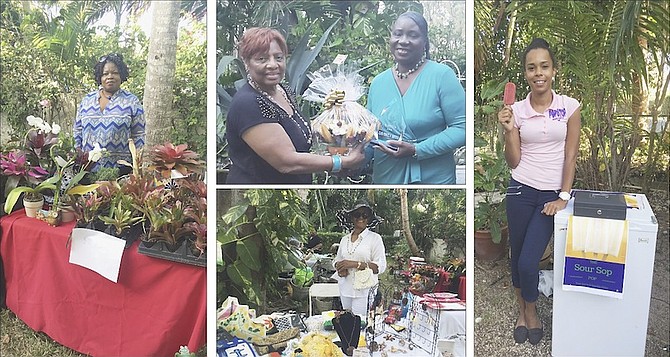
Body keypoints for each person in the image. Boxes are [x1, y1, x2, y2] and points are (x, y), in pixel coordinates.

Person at [497, 38, 581, 345]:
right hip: (520, 189)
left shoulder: (569, 107)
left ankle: (530, 311)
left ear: (554, 70)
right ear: (525, 73)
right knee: (517, 254)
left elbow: (570, 155)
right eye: (531, 68)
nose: (538, 73)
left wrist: (563, 197)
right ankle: (524, 312)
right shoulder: (515, 111)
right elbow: (514, 159)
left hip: (550, 196)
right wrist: (508, 132)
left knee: (528, 260)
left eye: (544, 66)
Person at [225, 27, 365, 184]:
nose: (272, 65)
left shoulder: (283, 90)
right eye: (262, 59)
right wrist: (340, 162)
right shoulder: (248, 103)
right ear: (246, 62)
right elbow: (286, 162)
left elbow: (299, 136)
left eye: (278, 57)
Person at [367, 11, 465, 184]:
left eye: (413, 35)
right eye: (398, 34)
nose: (403, 41)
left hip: (433, 179)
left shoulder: (441, 76)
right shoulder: (378, 83)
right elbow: (370, 136)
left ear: (425, 42)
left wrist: (417, 149)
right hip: (386, 179)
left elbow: (462, 128)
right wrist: (346, 160)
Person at [74, 53, 145, 173]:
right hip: (87, 171)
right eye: (105, 73)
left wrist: (137, 166)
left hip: (120, 172)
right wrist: (78, 158)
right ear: (100, 77)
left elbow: (139, 135)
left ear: (121, 75)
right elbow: (77, 131)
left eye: (115, 73)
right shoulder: (87, 101)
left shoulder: (131, 101)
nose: (110, 76)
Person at [332, 202, 387, 318]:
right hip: (345, 287)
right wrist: (339, 267)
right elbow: (336, 260)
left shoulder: (375, 239)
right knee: (346, 321)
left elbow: (380, 267)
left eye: (365, 215)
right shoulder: (344, 239)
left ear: (369, 218)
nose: (361, 218)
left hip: (364, 290)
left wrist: (355, 264)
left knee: (360, 323)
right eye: (357, 214)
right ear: (352, 217)